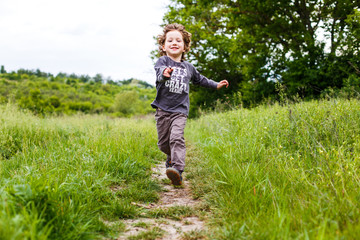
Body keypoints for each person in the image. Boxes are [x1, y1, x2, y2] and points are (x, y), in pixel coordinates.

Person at [151, 23, 229, 186]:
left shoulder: (189, 68)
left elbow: (201, 80)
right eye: (170, 40)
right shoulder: (162, 62)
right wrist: (165, 74)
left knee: (176, 138)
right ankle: (171, 158)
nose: (174, 43)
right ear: (163, 46)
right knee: (163, 143)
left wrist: (216, 85)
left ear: (185, 46)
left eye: (178, 40)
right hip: (162, 110)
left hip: (180, 111)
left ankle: (177, 170)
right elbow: (160, 74)